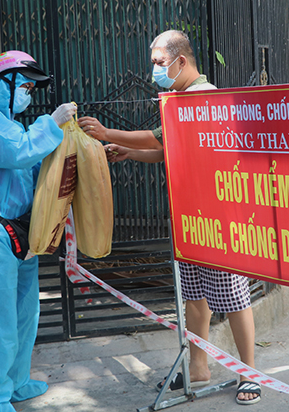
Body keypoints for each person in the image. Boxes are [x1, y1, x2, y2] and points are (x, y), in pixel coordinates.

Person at [78, 31, 261, 406]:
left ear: (181, 61)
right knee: (194, 296)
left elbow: (161, 138)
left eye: (160, 64)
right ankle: (198, 367)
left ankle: (250, 373)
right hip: (190, 214)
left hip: (219, 216)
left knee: (233, 297)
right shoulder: (178, 97)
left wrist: (109, 132)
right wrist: (128, 153)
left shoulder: (202, 96)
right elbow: (168, 152)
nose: (155, 72)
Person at [0, 50, 77, 412]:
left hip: (24, 230)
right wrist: (52, 123)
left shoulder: (10, 122)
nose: (28, 93)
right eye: (24, 85)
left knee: (25, 312)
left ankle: (16, 381)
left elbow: (32, 165)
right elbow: (17, 152)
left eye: (30, 87)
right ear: (4, 83)